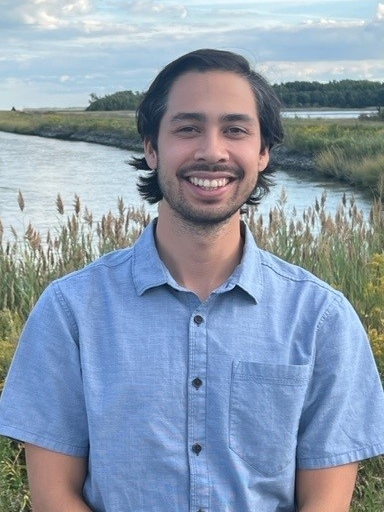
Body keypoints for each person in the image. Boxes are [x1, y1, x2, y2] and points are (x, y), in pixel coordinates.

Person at [0, 48, 384, 512]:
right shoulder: (71, 311)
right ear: (150, 148)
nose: (212, 151)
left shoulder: (322, 319)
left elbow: (324, 502)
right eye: (187, 128)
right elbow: (54, 496)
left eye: (236, 130)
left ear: (262, 152)